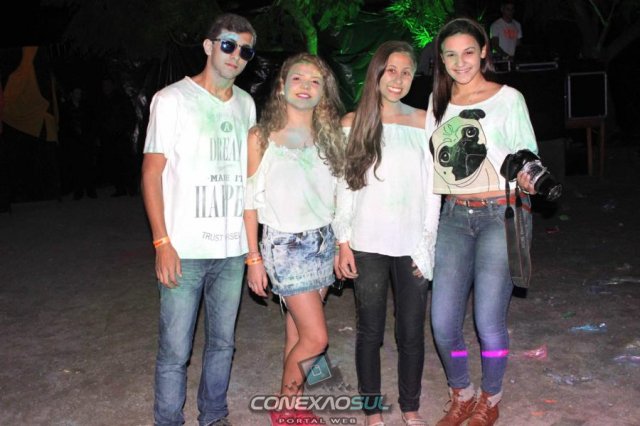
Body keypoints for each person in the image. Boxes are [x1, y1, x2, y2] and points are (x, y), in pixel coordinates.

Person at [140, 13, 257, 426]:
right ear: (209, 46)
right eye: (228, 45)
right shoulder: (171, 99)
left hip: (232, 250)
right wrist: (162, 242)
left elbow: (251, 178)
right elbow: (151, 174)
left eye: (245, 51)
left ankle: (214, 415)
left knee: (223, 344)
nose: (236, 55)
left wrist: (252, 251)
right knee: (175, 350)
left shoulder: (246, 104)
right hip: (184, 248)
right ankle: (169, 420)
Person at [426, 18, 537, 426]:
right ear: (441, 59)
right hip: (453, 217)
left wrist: (529, 177)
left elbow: (529, 156)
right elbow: (430, 170)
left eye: (469, 52)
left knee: (488, 322)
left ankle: (491, 397)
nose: (461, 62)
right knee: (443, 323)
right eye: (451, 55)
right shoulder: (437, 103)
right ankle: (462, 392)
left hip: (498, 215)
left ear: (485, 51)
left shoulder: (509, 99)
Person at [336, 40, 441, 426]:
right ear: (377, 73)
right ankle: (372, 412)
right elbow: (344, 187)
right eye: (391, 70)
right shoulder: (353, 123)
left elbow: (434, 189)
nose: (398, 79)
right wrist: (343, 242)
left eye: (406, 72)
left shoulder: (426, 122)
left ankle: (410, 408)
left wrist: (427, 245)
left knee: (411, 332)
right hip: (366, 243)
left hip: (412, 244)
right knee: (370, 332)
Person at [243, 52, 346, 425]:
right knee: (317, 338)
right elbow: (249, 203)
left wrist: (342, 244)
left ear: (324, 91)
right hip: (285, 247)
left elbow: (340, 195)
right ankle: (285, 407)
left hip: (324, 242)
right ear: (281, 86)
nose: (306, 86)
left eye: (315, 81)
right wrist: (253, 259)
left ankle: (295, 402)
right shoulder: (260, 136)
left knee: (298, 333)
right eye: (298, 78)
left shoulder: (331, 136)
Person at [96, 76, 137, 196]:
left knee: (126, 162)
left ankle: (132, 188)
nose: (106, 88)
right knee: (113, 163)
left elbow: (131, 115)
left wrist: (128, 131)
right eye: (104, 85)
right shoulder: (101, 101)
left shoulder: (121, 98)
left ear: (113, 85)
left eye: (108, 85)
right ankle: (120, 188)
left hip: (121, 135)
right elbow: (98, 119)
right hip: (108, 136)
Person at [59, 86, 97, 199]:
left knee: (88, 164)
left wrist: (90, 136)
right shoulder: (66, 107)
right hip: (73, 140)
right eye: (76, 93)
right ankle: (78, 190)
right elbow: (64, 124)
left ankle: (90, 189)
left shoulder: (86, 106)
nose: (78, 95)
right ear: (71, 94)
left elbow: (92, 122)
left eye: (80, 93)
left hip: (86, 139)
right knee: (76, 165)